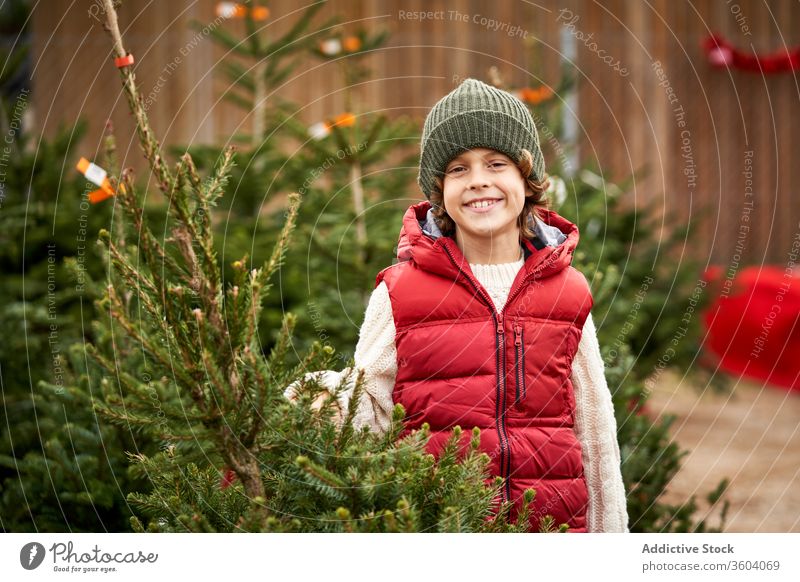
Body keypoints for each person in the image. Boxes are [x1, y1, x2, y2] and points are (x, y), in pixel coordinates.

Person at [286, 78, 628, 532]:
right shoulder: (401, 294)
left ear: (527, 180)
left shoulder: (566, 291)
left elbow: (594, 431)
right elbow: (369, 408)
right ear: (439, 190)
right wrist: (319, 401)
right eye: (458, 169)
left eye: (496, 163)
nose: (479, 181)